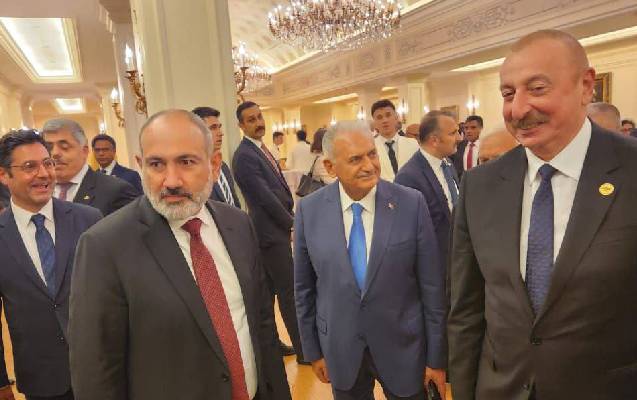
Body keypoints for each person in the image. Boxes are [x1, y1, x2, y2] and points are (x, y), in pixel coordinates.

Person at [448, 29, 637, 400]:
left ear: (586, 87)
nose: (518, 110)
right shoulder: (479, 186)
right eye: (508, 94)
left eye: (537, 89)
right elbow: (466, 312)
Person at [69, 109, 291, 400]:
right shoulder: (104, 246)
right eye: (156, 164)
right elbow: (96, 370)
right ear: (140, 166)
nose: (171, 181)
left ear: (214, 165)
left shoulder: (238, 224)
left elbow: (262, 327)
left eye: (186, 162)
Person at [295, 120, 448, 400]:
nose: (369, 166)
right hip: (341, 348)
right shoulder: (309, 210)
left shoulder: (411, 203)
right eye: (355, 159)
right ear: (330, 167)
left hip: (404, 348)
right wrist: (313, 351)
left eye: (372, 154)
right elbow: (304, 289)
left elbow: (432, 286)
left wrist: (436, 358)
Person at [0, 130, 101, 400]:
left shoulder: (89, 220)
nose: (44, 174)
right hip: (41, 378)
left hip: (100, 371)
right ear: (4, 175)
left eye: (48, 163)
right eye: (29, 166)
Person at [232, 101, 305, 363]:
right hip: (269, 234)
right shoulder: (244, 155)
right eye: (251, 120)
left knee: (271, 293)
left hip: (275, 231)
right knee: (288, 293)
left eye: (259, 117)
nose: (258, 123)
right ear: (241, 125)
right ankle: (305, 351)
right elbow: (264, 197)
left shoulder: (261, 148)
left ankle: (274, 344)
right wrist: (291, 223)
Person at [394, 110, 462, 297]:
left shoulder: (447, 164)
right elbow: (409, 235)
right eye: (453, 133)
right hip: (434, 272)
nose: (459, 138)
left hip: (455, 264)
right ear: (434, 140)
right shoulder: (408, 177)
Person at [42, 119, 137, 216]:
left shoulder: (116, 191)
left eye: (64, 147)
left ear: (84, 151)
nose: (55, 153)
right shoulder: (38, 190)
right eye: (49, 148)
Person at [192, 106, 241, 208]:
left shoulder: (223, 166)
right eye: (213, 128)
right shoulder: (193, 171)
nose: (221, 133)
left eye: (219, 127)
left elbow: (233, 202)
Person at [371, 99, 419, 181]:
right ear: (374, 123)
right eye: (379, 117)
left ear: (396, 117)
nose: (385, 120)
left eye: (388, 115)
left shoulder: (413, 144)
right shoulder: (370, 148)